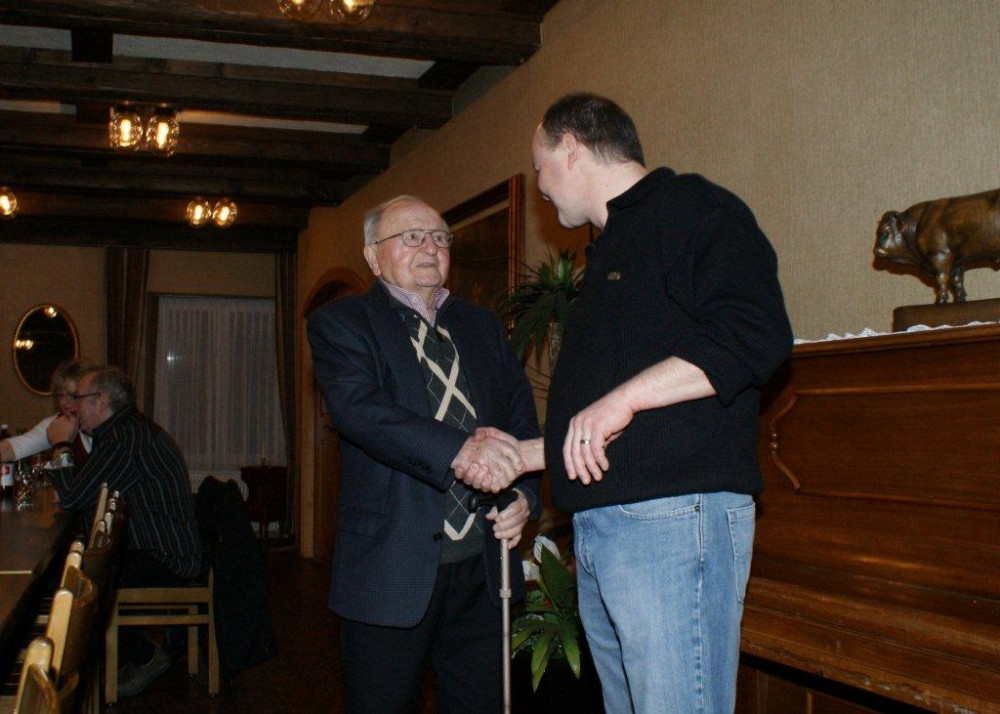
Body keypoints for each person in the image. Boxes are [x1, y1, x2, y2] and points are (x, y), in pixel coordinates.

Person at [504, 93, 793, 713]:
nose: (540, 186)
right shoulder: (611, 244)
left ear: (570, 147)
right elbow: (607, 420)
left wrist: (626, 398)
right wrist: (529, 453)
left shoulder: (692, 207)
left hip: (670, 525)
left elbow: (755, 333)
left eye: (538, 166)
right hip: (606, 529)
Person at [306, 195, 541, 713]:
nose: (430, 247)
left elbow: (520, 419)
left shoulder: (482, 325)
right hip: (389, 568)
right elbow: (362, 412)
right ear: (373, 256)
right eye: (411, 237)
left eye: (439, 237)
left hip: (484, 567)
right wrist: (462, 450)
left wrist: (524, 494)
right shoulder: (342, 322)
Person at [46, 365, 203, 698]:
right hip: (158, 549)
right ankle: (108, 663)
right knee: (81, 570)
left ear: (101, 400)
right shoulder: (124, 431)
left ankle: (142, 657)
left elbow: (73, 497)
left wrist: (60, 444)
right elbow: (84, 491)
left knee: (84, 582)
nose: (73, 407)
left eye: (79, 398)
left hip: (167, 557)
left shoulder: (124, 438)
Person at [1, 360, 93, 467]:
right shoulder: (57, 423)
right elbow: (12, 448)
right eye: (60, 395)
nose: (64, 402)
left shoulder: (102, 421)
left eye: (72, 395)